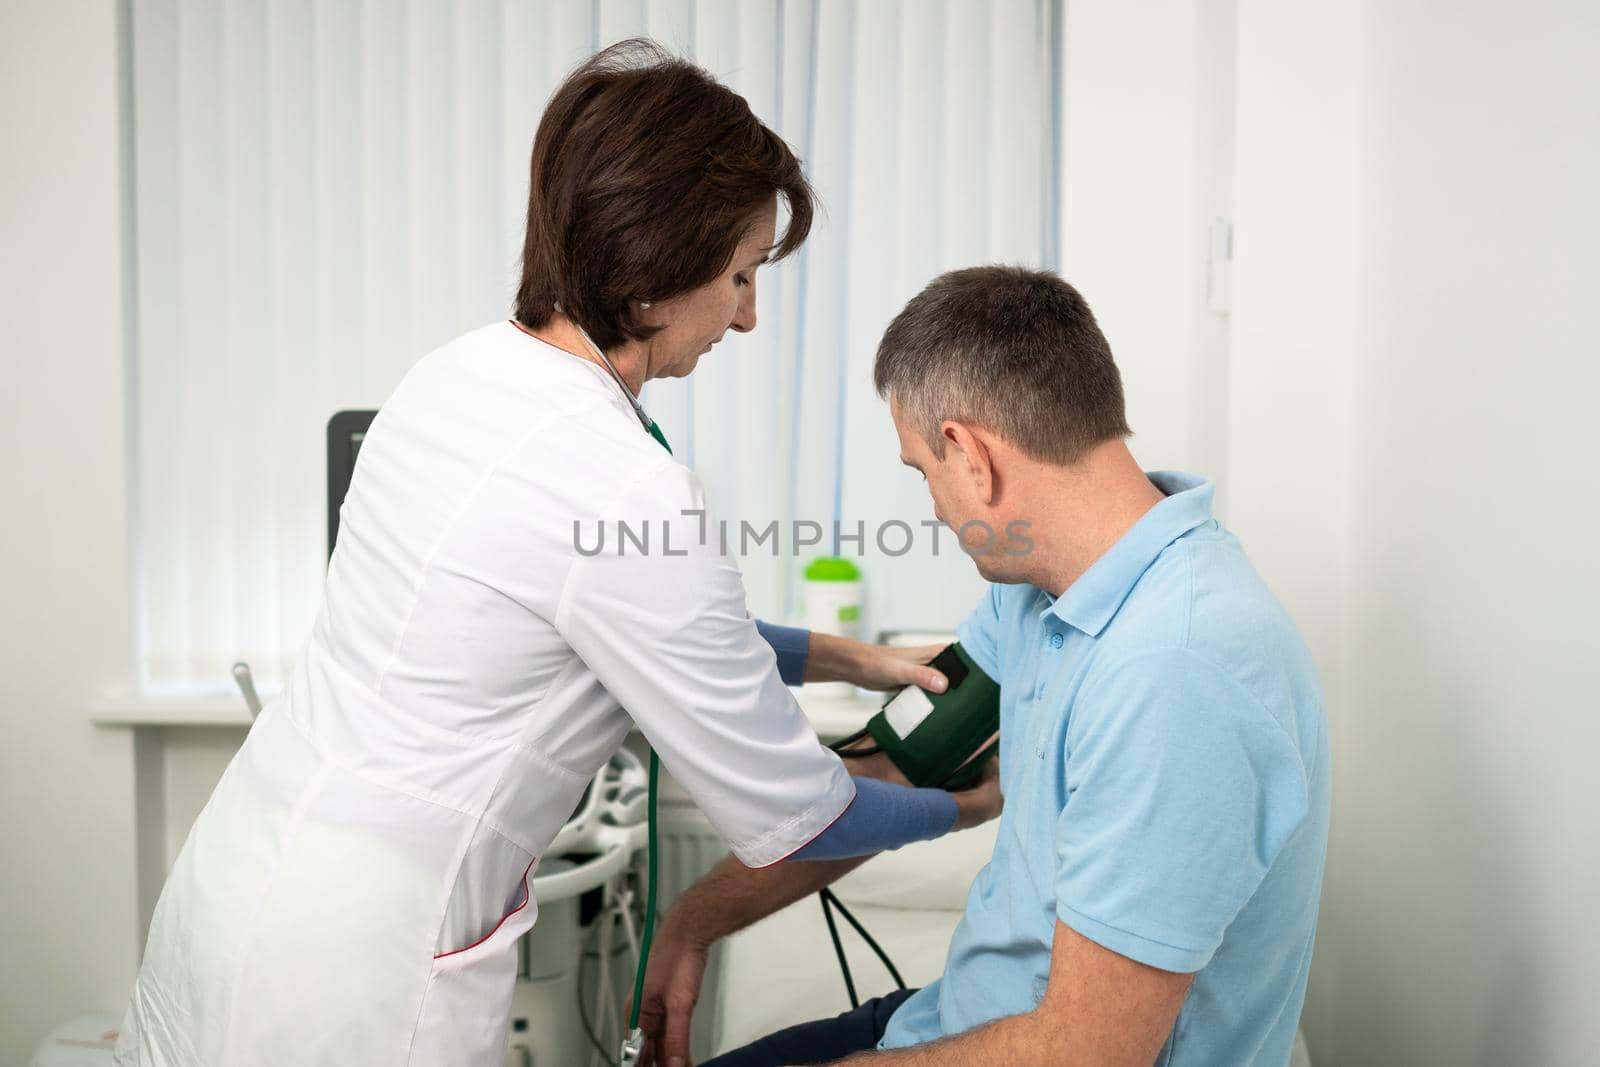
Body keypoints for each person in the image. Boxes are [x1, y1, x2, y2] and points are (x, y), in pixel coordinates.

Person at [112, 42, 1000, 1067]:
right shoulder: (624, 481)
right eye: (740, 274)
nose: (749, 315)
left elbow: (617, 614)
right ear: (653, 276)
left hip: (241, 880)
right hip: (361, 964)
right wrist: (965, 804)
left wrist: (856, 659)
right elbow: (804, 815)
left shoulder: (455, 376)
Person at [636, 266, 1331, 1067]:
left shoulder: (1179, 670)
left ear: (969, 453)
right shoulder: (1036, 591)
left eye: (921, 471)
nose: (931, 504)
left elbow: (1085, 1053)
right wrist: (695, 919)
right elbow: (898, 768)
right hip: (954, 1019)